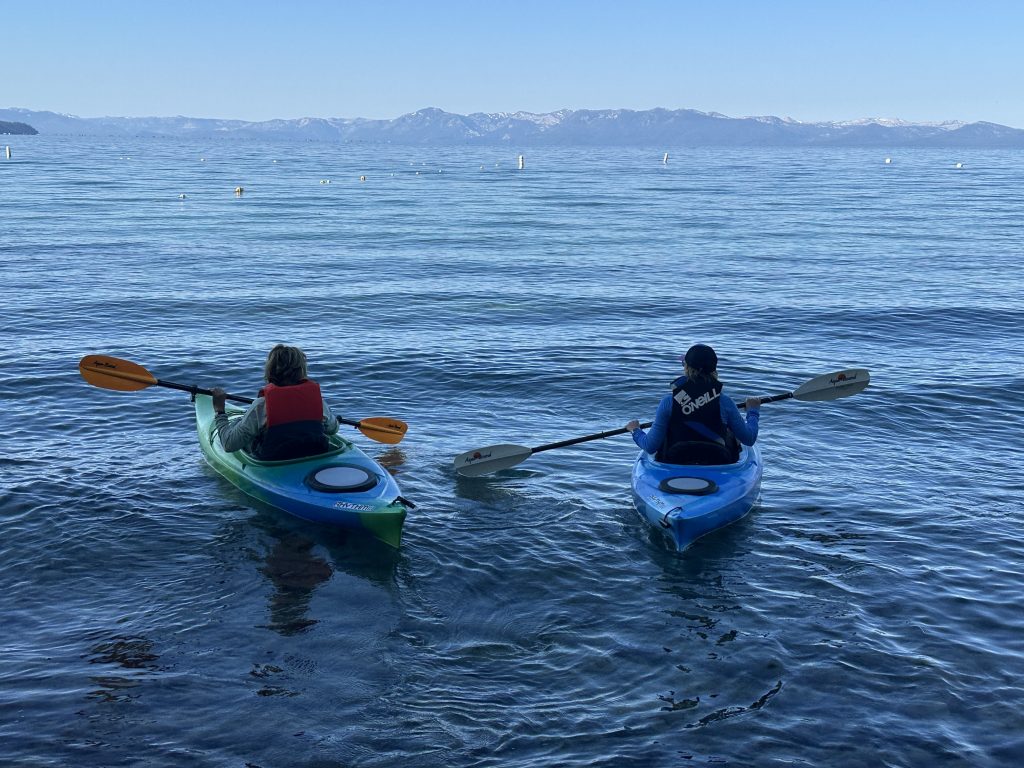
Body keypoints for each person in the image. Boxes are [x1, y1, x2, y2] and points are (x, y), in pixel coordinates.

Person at [625, 343, 760, 465]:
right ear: (714, 369)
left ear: (687, 368)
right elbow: (748, 439)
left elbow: (650, 446)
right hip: (716, 461)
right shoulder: (724, 402)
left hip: (676, 461)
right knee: (731, 434)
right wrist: (753, 411)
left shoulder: (669, 402)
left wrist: (636, 430)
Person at [211, 344, 339, 460]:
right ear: (302, 370)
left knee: (245, 431)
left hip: (274, 459)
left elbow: (229, 444)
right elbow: (333, 429)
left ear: (270, 370)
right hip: (313, 453)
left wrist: (220, 410)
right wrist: (334, 419)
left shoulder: (261, 406)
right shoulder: (318, 402)